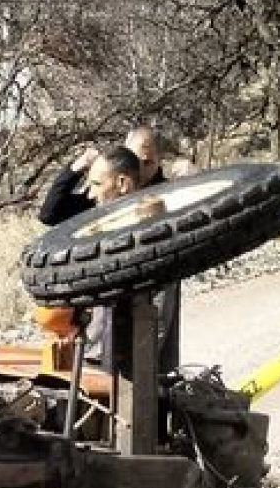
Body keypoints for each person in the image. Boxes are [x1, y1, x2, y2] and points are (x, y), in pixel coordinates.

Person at [77, 146, 179, 372]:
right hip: (100, 359)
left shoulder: (151, 233)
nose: (91, 194)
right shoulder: (107, 229)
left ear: (123, 183)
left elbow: (159, 312)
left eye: (97, 185)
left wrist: (140, 371)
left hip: (136, 371)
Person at [38, 125, 167, 227]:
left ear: (160, 160)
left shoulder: (168, 194)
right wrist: (74, 169)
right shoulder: (102, 193)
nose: (139, 168)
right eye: (132, 157)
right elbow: (49, 215)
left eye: (147, 163)